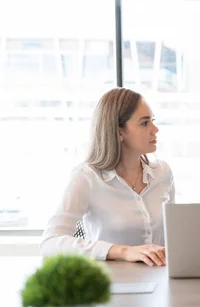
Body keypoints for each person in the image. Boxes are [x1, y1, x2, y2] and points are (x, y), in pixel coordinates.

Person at [40, 88, 174, 267]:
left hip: (160, 281)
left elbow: (173, 234)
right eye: (144, 123)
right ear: (119, 132)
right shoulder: (86, 177)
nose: (155, 130)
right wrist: (123, 252)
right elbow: (50, 243)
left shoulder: (162, 173)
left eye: (153, 121)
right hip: (111, 285)